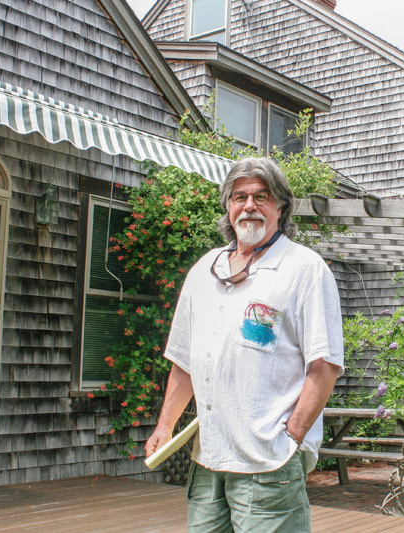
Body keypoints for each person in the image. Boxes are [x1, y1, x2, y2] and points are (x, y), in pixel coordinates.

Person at [145, 157, 344, 532]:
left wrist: (292, 436)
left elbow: (325, 364)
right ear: (228, 206)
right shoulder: (204, 270)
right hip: (208, 461)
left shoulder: (304, 268)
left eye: (261, 196)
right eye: (240, 197)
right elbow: (184, 362)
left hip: (269, 463)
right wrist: (164, 426)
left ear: (280, 206)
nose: (249, 205)